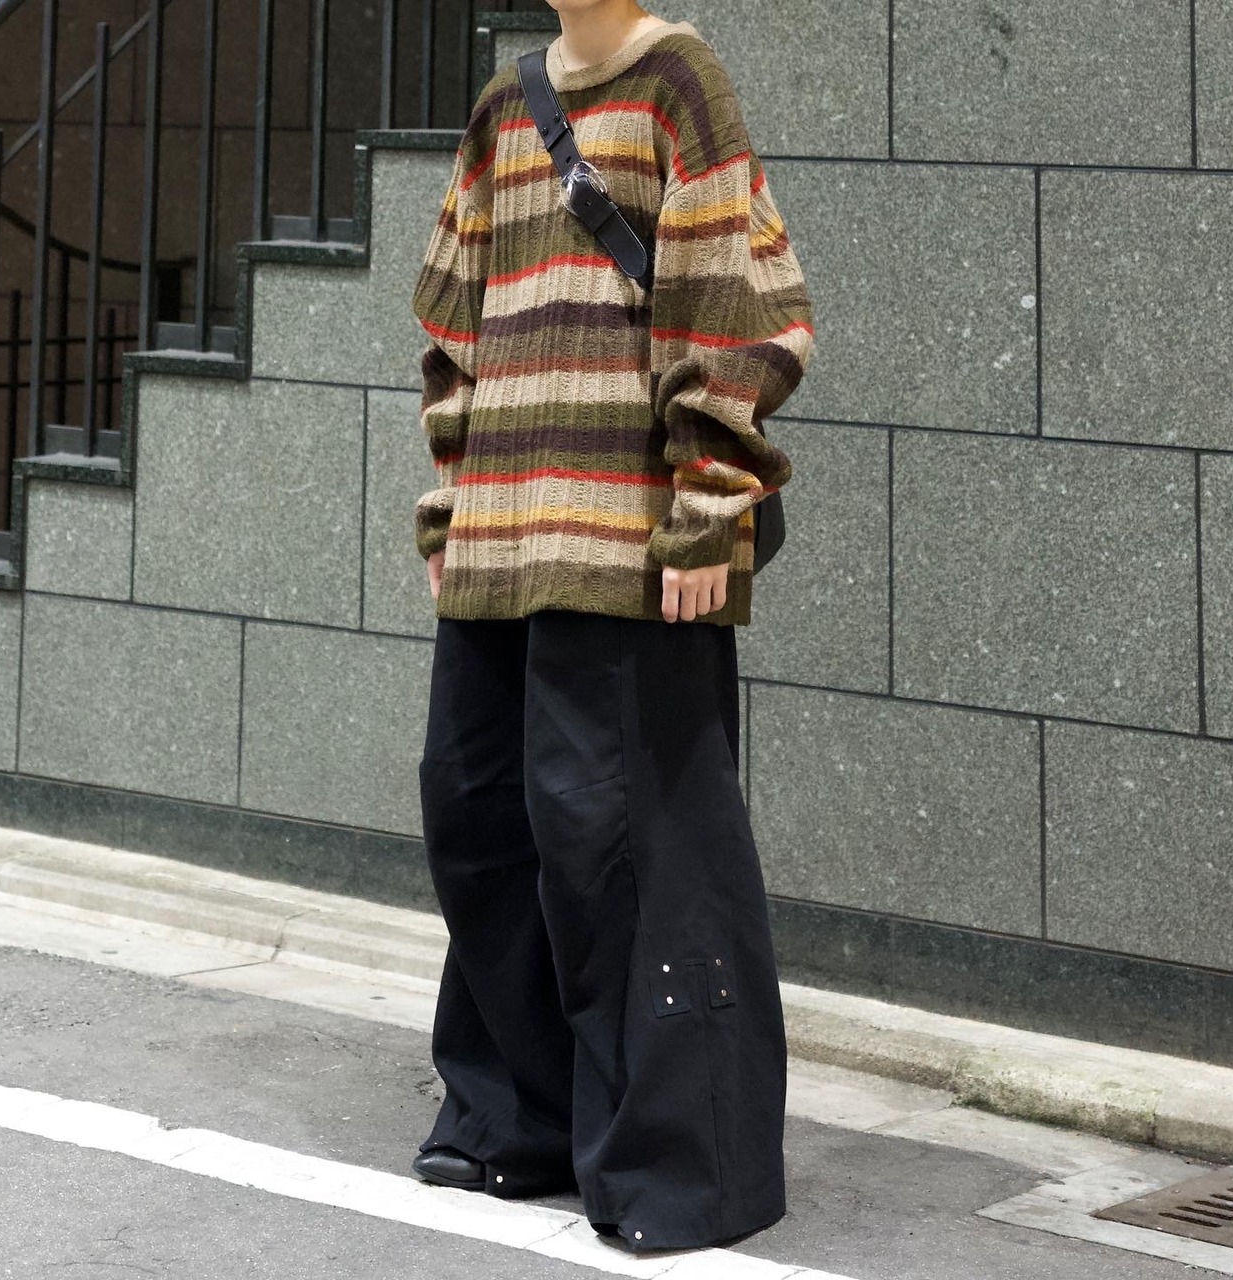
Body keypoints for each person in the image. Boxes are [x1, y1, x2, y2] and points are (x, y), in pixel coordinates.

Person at [407, 0, 814, 1253]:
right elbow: (451, 324)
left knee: (625, 845)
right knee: (478, 817)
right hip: (500, 531)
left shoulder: (679, 80)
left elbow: (733, 298)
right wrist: (447, 507)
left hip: (628, 534)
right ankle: (515, 1114)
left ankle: (678, 1162)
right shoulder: (502, 106)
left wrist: (708, 500)